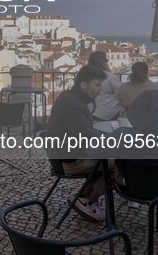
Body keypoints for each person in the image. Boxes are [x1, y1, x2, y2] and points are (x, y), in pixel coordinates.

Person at [46, 65, 119, 223]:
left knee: (113, 159)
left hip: (61, 156)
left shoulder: (69, 97)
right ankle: (88, 199)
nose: (100, 90)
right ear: (83, 85)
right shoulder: (75, 105)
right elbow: (83, 139)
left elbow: (84, 134)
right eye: (97, 85)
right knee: (122, 163)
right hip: (71, 161)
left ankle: (82, 196)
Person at [88, 51, 123, 121]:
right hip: (109, 114)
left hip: (91, 112)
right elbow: (122, 92)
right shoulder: (108, 76)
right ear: (103, 62)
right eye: (106, 60)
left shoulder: (87, 75)